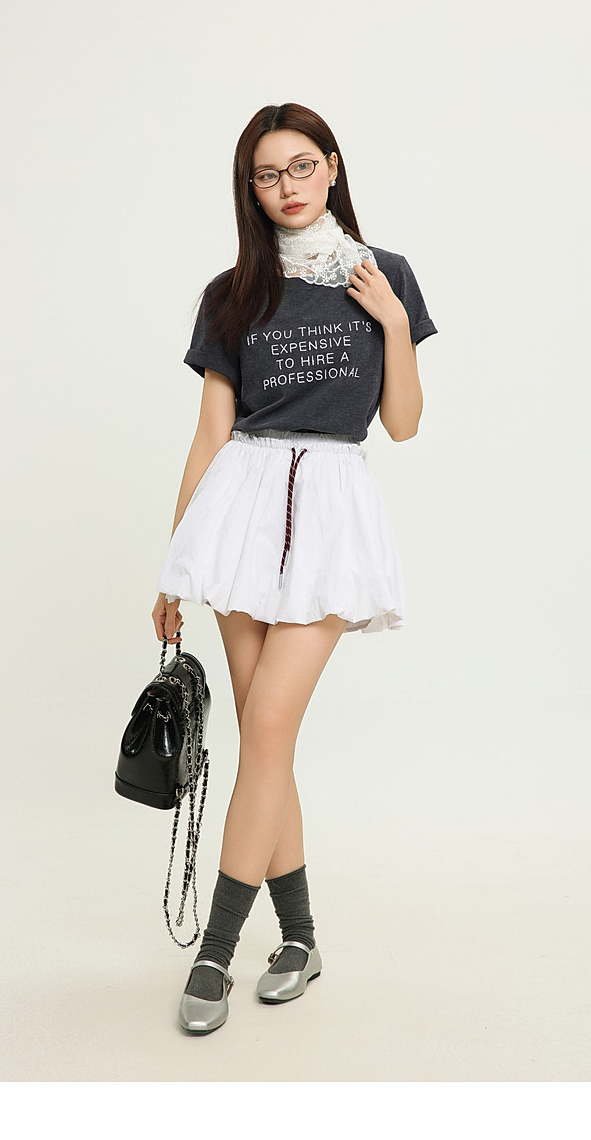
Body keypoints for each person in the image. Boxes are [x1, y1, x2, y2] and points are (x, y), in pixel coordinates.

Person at [151, 103, 437, 1034]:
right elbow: (210, 433)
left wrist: (394, 323)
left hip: (328, 513)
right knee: (263, 741)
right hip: (239, 510)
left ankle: (214, 953)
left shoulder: (385, 274)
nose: (287, 185)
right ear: (251, 189)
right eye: (267, 174)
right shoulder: (232, 291)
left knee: (268, 727)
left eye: (302, 165)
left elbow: (402, 425)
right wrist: (175, 564)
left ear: (333, 166)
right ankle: (302, 938)